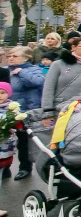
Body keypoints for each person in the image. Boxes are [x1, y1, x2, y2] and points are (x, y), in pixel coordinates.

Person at [6, 46, 44, 180]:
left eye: (14, 56)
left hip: (26, 111)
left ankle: (25, 168)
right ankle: (5, 168)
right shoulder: (6, 70)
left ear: (27, 57)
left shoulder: (34, 70)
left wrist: (21, 72)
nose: (10, 58)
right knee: (5, 140)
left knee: (23, 142)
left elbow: (39, 82)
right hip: (7, 110)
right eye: (9, 56)